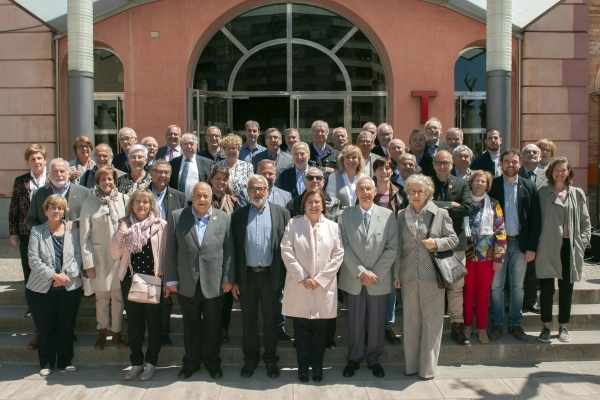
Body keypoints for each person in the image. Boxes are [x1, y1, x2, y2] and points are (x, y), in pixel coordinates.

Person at [165, 182, 234, 380]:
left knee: (213, 327)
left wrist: (228, 278)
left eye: (205, 196)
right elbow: (170, 250)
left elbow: (229, 252)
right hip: (187, 282)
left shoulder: (223, 218)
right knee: (191, 326)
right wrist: (170, 279)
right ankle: (191, 363)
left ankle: (212, 363)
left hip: (215, 282)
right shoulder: (178, 216)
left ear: (211, 197)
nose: (202, 200)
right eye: (198, 196)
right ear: (191, 197)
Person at [393, 174, 458, 379]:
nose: (416, 195)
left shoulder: (439, 213)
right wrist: (396, 274)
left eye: (420, 191)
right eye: (412, 191)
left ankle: (427, 369)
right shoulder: (402, 215)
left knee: (432, 323)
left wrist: (436, 243)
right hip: (409, 275)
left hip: (433, 276)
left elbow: (453, 239)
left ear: (428, 193)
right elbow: (398, 248)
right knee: (410, 323)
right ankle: (411, 366)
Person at [230, 175, 291, 379]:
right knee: (248, 321)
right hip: (247, 276)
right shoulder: (238, 216)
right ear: (247, 192)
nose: (257, 192)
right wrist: (234, 280)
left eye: (261, 188)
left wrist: (284, 279)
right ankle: (250, 359)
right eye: (253, 188)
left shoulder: (282, 213)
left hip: (271, 276)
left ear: (268, 190)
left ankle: (271, 359)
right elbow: (233, 251)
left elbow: (287, 248)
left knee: (271, 320)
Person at [281, 189, 344, 383]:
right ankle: (302, 368)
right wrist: (302, 276)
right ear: (304, 205)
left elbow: (338, 254)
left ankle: (317, 368)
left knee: (319, 332)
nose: (314, 205)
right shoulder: (294, 223)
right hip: (300, 286)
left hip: (322, 287)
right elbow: (286, 250)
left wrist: (321, 278)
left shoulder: (333, 227)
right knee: (301, 332)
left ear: (323, 205)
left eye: (317, 202)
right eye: (310, 202)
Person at [338, 176, 398, 379]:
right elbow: (343, 246)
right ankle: (354, 358)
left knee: (377, 321)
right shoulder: (345, 216)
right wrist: (361, 271)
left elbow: (392, 248)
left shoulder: (388, 215)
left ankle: (374, 358)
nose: (365, 193)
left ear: (375, 192)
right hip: (354, 277)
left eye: (368, 189)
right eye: (361, 189)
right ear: (356, 193)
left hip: (378, 279)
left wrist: (375, 274)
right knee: (355, 320)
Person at [110, 189, 168, 381]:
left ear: (151, 205)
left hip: (153, 281)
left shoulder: (161, 225)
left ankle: (151, 363)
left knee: (153, 323)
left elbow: (166, 256)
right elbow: (114, 254)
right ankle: (136, 363)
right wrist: (121, 232)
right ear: (131, 205)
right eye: (137, 202)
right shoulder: (124, 224)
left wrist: (166, 281)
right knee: (134, 325)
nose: (141, 205)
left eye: (145, 202)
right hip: (130, 280)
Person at [488, 149, 541, 342]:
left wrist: (532, 247)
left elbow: (536, 220)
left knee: (518, 287)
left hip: (521, 244)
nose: (511, 164)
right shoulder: (492, 186)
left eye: (514, 161)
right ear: (501, 164)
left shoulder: (530, 187)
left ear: (520, 164)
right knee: (496, 286)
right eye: (507, 161)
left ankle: (515, 324)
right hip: (498, 245)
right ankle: (496, 324)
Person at [536, 157, 591, 343]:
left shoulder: (577, 194)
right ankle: (545, 326)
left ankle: (563, 326)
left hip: (570, 246)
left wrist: (581, 243)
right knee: (546, 288)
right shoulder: (542, 193)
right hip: (547, 246)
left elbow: (585, 222)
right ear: (551, 172)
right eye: (556, 170)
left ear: (569, 172)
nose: (560, 173)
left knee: (566, 288)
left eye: (563, 170)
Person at [26, 195, 82, 376]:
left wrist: (67, 276)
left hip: (69, 287)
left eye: (59, 208)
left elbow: (78, 257)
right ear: (45, 211)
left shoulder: (73, 230)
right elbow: (33, 260)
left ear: (64, 211)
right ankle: (46, 362)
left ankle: (65, 361)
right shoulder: (37, 231)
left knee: (66, 326)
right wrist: (53, 276)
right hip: (41, 289)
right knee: (45, 327)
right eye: (52, 208)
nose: (56, 211)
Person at [80, 166, 128, 350]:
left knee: (117, 297)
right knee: (101, 297)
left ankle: (116, 332)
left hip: (120, 257)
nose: (107, 182)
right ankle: (102, 331)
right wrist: (88, 264)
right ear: (97, 182)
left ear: (114, 181)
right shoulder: (89, 203)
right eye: (103, 179)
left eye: (110, 179)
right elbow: (84, 236)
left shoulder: (124, 200)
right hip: (99, 259)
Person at [431, 150, 472, 345]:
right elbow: (423, 206)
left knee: (456, 286)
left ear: (452, 164)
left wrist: (437, 208)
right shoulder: (427, 182)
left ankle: (457, 325)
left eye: (446, 163)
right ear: (433, 164)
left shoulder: (462, 183)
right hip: (432, 243)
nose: (442, 166)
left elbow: (467, 208)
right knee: (435, 285)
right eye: (438, 162)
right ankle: (434, 326)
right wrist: (449, 205)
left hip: (456, 243)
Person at [463, 170, 507, 344]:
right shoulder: (464, 202)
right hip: (465, 257)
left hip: (486, 257)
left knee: (482, 294)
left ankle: (481, 329)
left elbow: (501, 231)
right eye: (476, 180)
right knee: (467, 293)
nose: (479, 184)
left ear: (487, 185)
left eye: (483, 181)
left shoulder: (494, 204)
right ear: (471, 183)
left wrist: (499, 257)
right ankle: (467, 327)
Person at [148, 160, 186, 346]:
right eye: (159, 172)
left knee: (167, 293)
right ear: (151, 174)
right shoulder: (142, 194)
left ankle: (164, 331)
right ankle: (150, 331)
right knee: (148, 292)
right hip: (147, 249)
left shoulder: (179, 196)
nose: (163, 176)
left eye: (166, 173)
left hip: (170, 247)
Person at [372, 157, 408, 345]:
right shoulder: (368, 191)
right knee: (371, 287)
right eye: (380, 168)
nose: (384, 171)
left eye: (388, 168)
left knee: (392, 289)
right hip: (371, 245)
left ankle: (387, 326)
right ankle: (371, 326)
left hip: (394, 244)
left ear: (393, 171)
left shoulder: (400, 193)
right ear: (374, 171)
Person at [9, 144, 47, 320]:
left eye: (39, 158)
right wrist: (13, 231)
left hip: (49, 232)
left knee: (48, 265)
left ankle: (48, 300)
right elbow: (14, 208)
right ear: (27, 162)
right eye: (33, 159)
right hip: (27, 232)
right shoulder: (21, 181)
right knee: (29, 267)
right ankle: (32, 305)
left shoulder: (53, 178)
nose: (36, 161)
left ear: (45, 159)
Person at [206, 166, 239, 344]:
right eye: (217, 178)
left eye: (224, 179)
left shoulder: (234, 201)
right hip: (207, 256)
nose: (221, 182)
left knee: (225, 296)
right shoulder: (202, 199)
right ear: (211, 179)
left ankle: (223, 328)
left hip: (226, 254)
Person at [519, 143, 547, 314]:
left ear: (540, 156)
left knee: (533, 269)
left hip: (541, 228)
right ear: (522, 157)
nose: (531, 154)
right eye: (527, 152)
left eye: (534, 152)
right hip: (519, 228)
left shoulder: (548, 176)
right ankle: (512, 301)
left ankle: (530, 301)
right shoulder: (514, 174)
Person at [27, 158, 90, 230]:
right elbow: (30, 220)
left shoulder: (85, 193)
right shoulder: (38, 194)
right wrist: (43, 232)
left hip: (75, 239)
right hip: (47, 239)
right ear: (49, 174)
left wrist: (76, 222)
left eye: (62, 171)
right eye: (55, 171)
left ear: (68, 173)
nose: (59, 174)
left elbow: (90, 216)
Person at [169, 133, 214, 202]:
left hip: (199, 203)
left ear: (197, 145)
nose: (189, 146)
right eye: (185, 144)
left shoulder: (207, 163)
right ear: (181, 145)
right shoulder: (173, 163)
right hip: (177, 203)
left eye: (192, 144)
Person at [325, 145, 365, 209]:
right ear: (342, 160)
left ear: (359, 160)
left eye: (354, 157)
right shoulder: (334, 177)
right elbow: (330, 200)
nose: (350, 160)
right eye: (347, 157)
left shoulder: (364, 178)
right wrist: (341, 208)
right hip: (340, 217)